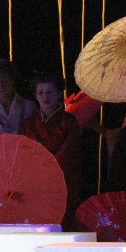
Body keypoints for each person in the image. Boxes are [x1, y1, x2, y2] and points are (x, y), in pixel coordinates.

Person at [22, 73, 82, 230]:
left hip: (63, 180)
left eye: (49, 92)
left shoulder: (69, 121)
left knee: (63, 222)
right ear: (35, 95)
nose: (45, 97)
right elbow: (23, 153)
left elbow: (70, 153)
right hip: (35, 181)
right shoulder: (28, 124)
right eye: (40, 92)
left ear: (59, 94)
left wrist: (49, 171)